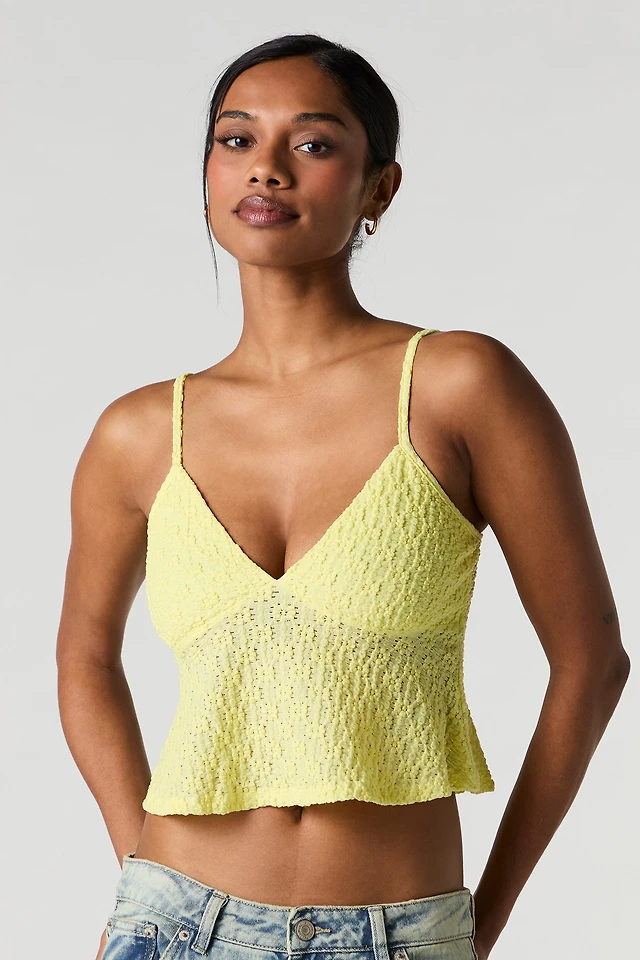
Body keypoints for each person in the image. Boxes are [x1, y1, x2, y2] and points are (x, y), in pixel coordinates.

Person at [56, 33, 630, 960]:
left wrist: (475, 924)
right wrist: (143, 877)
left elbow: (592, 661)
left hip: (398, 931)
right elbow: (83, 660)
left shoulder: (459, 385)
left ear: (379, 190)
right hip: (171, 926)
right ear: (208, 173)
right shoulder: (138, 433)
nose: (267, 168)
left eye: (314, 143)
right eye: (236, 139)